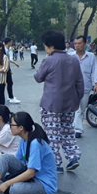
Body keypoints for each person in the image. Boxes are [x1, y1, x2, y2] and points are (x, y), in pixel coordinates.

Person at [34, 30, 84, 173]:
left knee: (52, 134)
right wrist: (76, 99)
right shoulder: (74, 59)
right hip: (69, 104)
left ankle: (56, 163)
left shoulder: (49, 60)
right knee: (68, 131)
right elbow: (80, 82)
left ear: (50, 46)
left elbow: (38, 77)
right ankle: (73, 157)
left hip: (51, 104)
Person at [73, 36, 97, 138]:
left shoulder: (91, 56)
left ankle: (75, 126)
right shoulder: (71, 56)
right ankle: (78, 129)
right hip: (72, 87)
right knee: (76, 109)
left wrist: (96, 84)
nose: (77, 45)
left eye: (79, 43)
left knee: (82, 107)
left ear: (85, 44)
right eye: (75, 43)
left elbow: (94, 71)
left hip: (86, 86)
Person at [3, 38, 21, 104]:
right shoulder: (4, 49)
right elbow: (6, 59)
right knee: (9, 82)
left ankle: (10, 96)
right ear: (8, 42)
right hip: (5, 68)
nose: (12, 43)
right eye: (11, 42)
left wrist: (15, 63)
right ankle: (11, 97)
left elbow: (8, 59)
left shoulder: (7, 49)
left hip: (7, 68)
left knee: (7, 82)